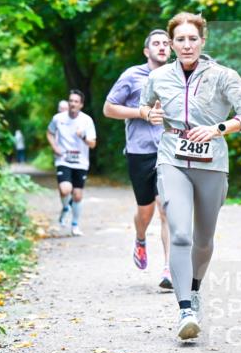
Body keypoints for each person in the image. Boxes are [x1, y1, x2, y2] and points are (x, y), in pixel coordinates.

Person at [140, 12, 241, 340]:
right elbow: (145, 107)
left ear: (203, 41)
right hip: (172, 159)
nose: (187, 45)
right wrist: (149, 113)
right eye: (180, 39)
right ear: (172, 43)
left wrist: (218, 129)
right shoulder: (160, 77)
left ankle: (194, 290)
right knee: (180, 234)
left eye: (193, 38)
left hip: (212, 163)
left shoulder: (224, 76)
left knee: (203, 239)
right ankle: (184, 310)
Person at [103, 29, 174, 289]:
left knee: (166, 209)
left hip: (168, 151)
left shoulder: (177, 76)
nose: (162, 47)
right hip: (139, 152)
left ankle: (169, 269)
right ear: (147, 51)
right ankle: (141, 237)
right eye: (156, 43)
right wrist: (142, 113)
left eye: (166, 43)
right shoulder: (131, 76)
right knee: (146, 212)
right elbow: (108, 108)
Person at [46, 90, 97, 237]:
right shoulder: (58, 118)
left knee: (78, 195)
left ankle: (75, 225)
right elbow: (49, 132)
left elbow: (92, 144)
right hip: (63, 160)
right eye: (71, 101)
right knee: (65, 189)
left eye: (76, 101)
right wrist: (55, 147)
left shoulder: (87, 120)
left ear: (81, 105)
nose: (72, 103)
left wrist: (83, 136)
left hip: (81, 162)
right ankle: (65, 208)